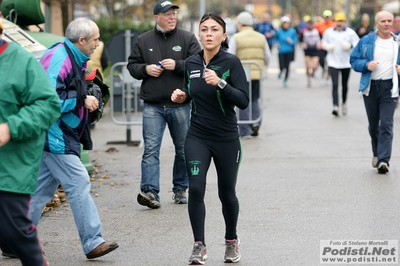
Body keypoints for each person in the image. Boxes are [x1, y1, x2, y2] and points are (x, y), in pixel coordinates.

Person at [28, 18, 119, 259]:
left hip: (55, 131)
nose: (98, 44)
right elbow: (45, 101)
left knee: (40, 191)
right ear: (81, 40)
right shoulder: (60, 59)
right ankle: (92, 242)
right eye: (95, 39)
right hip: (54, 132)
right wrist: (81, 100)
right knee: (78, 181)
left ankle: (14, 239)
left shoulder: (70, 55)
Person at [171, 12, 248, 265]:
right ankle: (199, 245)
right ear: (199, 34)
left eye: (214, 30)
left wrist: (221, 84)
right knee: (195, 188)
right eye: (204, 29)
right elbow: (193, 92)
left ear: (223, 36)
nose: (208, 34)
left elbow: (244, 101)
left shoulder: (231, 63)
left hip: (226, 137)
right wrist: (183, 96)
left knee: (227, 193)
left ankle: (231, 240)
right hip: (198, 136)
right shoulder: (192, 63)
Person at [126, 0, 202, 209]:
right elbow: (132, 66)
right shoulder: (143, 40)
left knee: (183, 150)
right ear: (156, 17)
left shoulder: (187, 38)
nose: (171, 17)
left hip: (179, 104)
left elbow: (198, 65)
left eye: (173, 14)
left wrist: (177, 65)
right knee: (151, 149)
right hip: (153, 105)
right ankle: (150, 192)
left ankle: (180, 188)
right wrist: (145, 69)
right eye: (166, 14)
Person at [0, 20, 60, 266]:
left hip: (10, 167)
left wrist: (11, 128)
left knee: (13, 233)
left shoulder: (20, 61)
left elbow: (48, 105)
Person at [350, 10, 400, 174]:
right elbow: (354, 60)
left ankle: (384, 160)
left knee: (386, 124)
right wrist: (366, 65)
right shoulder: (366, 41)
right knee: (373, 126)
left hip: (389, 88)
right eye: (383, 21)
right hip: (370, 87)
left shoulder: (397, 42)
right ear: (377, 23)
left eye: (389, 21)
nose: (386, 24)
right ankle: (377, 153)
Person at [228, 11, 270, 138]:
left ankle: (244, 129)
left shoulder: (236, 37)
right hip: (256, 73)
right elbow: (267, 56)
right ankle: (255, 123)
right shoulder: (261, 37)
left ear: (240, 24)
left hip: (241, 75)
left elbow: (230, 55)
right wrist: (263, 68)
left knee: (242, 101)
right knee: (254, 99)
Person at [322, 13, 359, 116]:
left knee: (344, 85)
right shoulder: (328, 32)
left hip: (346, 62)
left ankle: (344, 103)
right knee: (334, 84)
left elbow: (358, 44)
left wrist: (350, 46)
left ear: (345, 22)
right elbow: (323, 42)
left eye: (341, 21)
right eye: (338, 21)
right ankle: (335, 106)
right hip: (333, 61)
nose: (339, 23)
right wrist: (327, 46)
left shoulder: (350, 33)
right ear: (335, 22)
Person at [275, 15, 297, 87]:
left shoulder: (292, 31)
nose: (285, 25)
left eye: (287, 23)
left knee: (287, 66)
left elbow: (295, 40)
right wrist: (277, 44)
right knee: (282, 65)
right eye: (284, 23)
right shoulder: (279, 31)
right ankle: (281, 71)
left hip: (289, 51)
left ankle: (285, 80)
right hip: (281, 51)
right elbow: (276, 39)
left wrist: (291, 42)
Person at [299, 19, 321, 87]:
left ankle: (314, 72)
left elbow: (321, 38)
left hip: (315, 50)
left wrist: (320, 44)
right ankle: (308, 80)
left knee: (314, 66)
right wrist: (302, 44)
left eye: (312, 24)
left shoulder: (317, 31)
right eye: (309, 24)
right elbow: (300, 40)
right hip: (307, 50)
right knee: (308, 67)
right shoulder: (304, 31)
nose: (311, 25)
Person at [316, 10, 336, 78]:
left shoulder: (333, 25)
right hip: (322, 45)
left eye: (328, 17)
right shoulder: (319, 24)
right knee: (321, 60)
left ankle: (328, 73)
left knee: (329, 61)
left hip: (330, 46)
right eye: (326, 17)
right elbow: (316, 34)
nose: (327, 18)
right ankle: (323, 68)